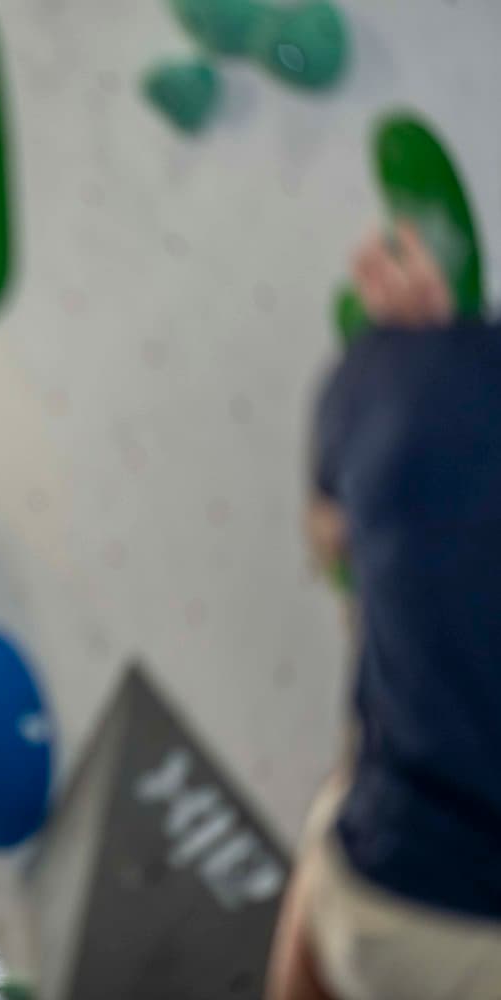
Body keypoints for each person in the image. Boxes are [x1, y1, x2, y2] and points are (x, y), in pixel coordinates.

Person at [265, 223, 501, 1000]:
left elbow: (334, 547)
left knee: (340, 809)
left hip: (386, 904)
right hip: (455, 919)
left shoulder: (384, 372)